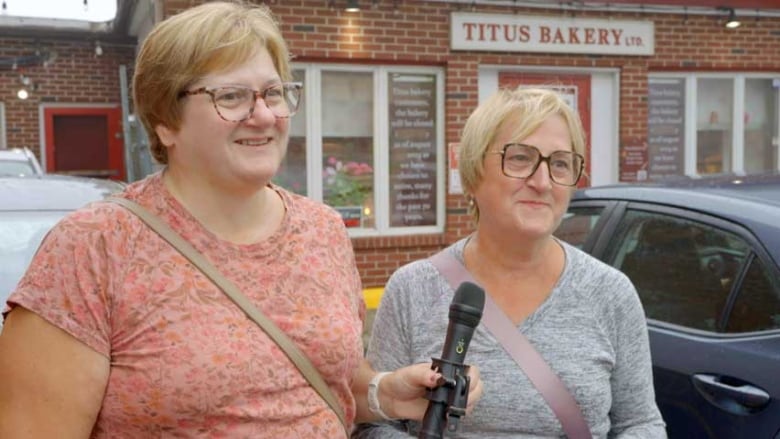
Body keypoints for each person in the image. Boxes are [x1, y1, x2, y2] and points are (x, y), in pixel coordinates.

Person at [0, 2, 481, 438]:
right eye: (231, 97)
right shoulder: (94, 248)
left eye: (274, 93)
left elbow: (321, 381)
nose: (264, 115)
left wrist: (384, 392)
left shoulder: (323, 231)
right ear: (166, 121)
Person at [354, 87, 667, 438]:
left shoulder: (611, 293)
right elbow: (373, 424)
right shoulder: (413, 289)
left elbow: (640, 423)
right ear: (473, 172)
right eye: (520, 158)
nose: (542, 181)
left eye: (561, 163)